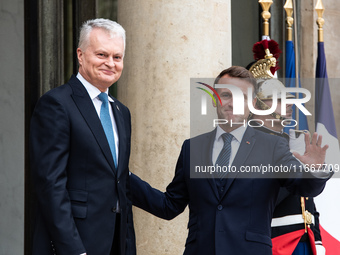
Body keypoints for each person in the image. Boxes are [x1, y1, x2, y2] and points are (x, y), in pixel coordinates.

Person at [130, 66, 331, 255]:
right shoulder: (192, 148)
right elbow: (169, 206)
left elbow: (302, 186)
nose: (233, 102)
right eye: (226, 94)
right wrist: (123, 175)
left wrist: (314, 171)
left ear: (253, 104)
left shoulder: (272, 147)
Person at [30, 18, 135, 255]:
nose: (110, 63)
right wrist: (74, 250)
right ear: (80, 55)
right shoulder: (57, 104)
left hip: (116, 244)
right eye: (101, 54)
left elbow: (119, 178)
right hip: (76, 245)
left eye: (117, 57)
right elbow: (50, 185)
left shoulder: (121, 112)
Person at [248, 78, 325, 254]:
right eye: (279, 99)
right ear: (257, 104)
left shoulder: (288, 142)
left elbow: (308, 199)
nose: (289, 104)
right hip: (274, 241)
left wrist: (317, 239)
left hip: (305, 240)